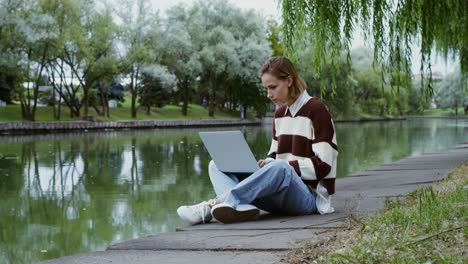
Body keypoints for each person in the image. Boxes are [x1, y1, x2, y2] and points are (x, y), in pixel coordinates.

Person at [177, 56, 338, 224]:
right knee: (217, 164)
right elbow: (275, 156)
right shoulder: (279, 113)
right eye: (266, 89)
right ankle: (242, 207)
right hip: (278, 194)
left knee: (281, 168)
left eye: (273, 87)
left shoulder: (316, 110)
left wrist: (283, 166)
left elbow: (323, 165)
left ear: (289, 80)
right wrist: (265, 163)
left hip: (308, 198)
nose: (269, 94)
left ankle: (214, 205)